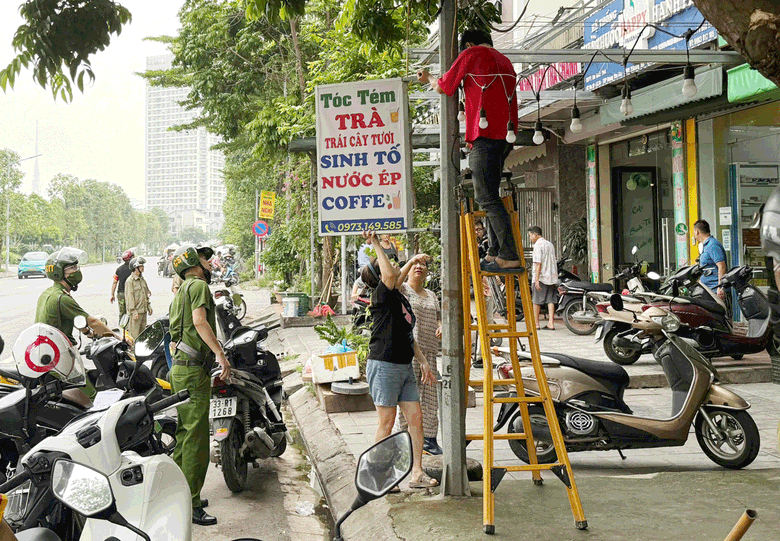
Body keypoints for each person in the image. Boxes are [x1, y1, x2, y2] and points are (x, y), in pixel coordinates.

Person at [418, 28, 522, 273]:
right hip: (505, 137)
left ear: (468, 45)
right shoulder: (504, 60)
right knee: (491, 195)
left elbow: (444, 86)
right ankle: (495, 252)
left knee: (485, 197)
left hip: (484, 136)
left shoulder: (472, 54)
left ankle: (508, 254)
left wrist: (429, 77)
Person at [360, 231, 439, 489]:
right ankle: (379, 474)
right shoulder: (381, 295)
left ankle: (416, 472)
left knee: (416, 419)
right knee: (386, 422)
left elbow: (407, 334)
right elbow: (390, 275)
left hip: (405, 365)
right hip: (384, 365)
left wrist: (424, 362)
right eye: (389, 264)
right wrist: (375, 243)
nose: (395, 266)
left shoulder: (399, 296)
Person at [169, 244, 232, 526]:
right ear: (195, 262)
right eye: (206, 259)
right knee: (196, 440)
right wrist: (220, 353)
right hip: (194, 371)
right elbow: (199, 321)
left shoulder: (181, 290)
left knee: (184, 435)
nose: (210, 263)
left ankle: (179, 495)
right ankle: (191, 504)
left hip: (180, 369)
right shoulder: (198, 286)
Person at [36, 248, 115, 399]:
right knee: (91, 396)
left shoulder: (48, 294)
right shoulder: (62, 299)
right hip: (60, 358)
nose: (77, 271)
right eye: (72, 268)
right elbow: (92, 321)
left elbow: (74, 319)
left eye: (76, 267)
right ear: (59, 273)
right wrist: (116, 337)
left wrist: (88, 333)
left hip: (48, 356)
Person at [398, 256, 443, 455]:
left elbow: (439, 318)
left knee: (431, 397)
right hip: (408, 353)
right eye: (415, 264)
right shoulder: (402, 290)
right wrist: (411, 261)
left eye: (423, 264)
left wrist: (441, 327)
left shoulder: (432, 295)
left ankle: (430, 440)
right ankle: (404, 439)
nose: (419, 267)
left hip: (430, 351)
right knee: (407, 397)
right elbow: (395, 280)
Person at [529, 226, 558, 330]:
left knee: (536, 301)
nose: (530, 238)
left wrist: (536, 280)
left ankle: (536, 324)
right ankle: (551, 323)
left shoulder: (538, 245)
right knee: (550, 300)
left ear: (535, 235)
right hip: (551, 276)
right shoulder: (550, 244)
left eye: (530, 235)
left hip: (541, 277)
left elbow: (538, 263)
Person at [694, 219, 728, 299]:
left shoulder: (712, 245)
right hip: (709, 290)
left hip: (715, 291)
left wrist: (720, 287)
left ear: (697, 232)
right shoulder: (706, 246)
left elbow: (722, 266)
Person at [125, 257, 152, 340]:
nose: (143, 267)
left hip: (143, 312)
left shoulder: (142, 279)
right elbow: (129, 298)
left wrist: (148, 306)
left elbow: (145, 294)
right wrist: (133, 311)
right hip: (136, 314)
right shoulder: (130, 281)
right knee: (134, 337)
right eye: (141, 266)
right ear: (135, 268)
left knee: (142, 336)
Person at [110, 249, 134, 320]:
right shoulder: (134, 269)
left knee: (122, 312)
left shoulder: (118, 269)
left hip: (121, 294)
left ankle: (122, 324)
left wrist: (112, 294)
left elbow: (114, 282)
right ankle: (130, 325)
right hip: (131, 293)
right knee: (130, 311)